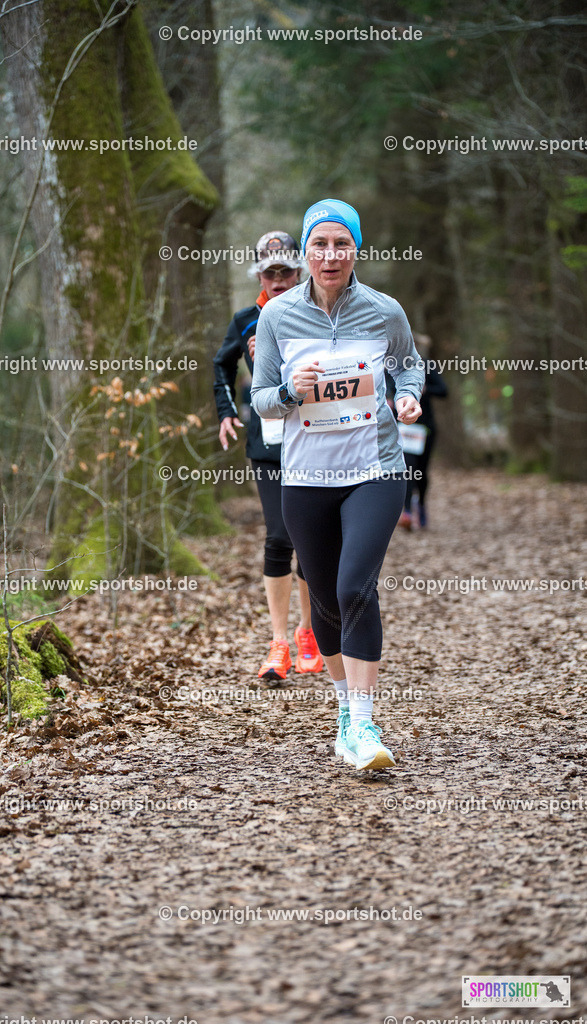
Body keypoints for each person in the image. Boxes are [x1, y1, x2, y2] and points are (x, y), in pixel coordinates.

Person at [251, 199, 424, 770]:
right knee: (323, 597)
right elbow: (261, 398)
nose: (330, 256)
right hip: (305, 475)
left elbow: (409, 362)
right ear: (305, 252)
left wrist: (406, 395)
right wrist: (290, 391)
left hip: (374, 469)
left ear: (355, 250)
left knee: (355, 587)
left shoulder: (383, 310)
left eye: (340, 244)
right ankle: (345, 713)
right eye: (319, 245)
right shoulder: (277, 316)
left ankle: (367, 720)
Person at [213, 231, 324, 682]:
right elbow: (221, 364)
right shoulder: (245, 319)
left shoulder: (316, 312)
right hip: (270, 442)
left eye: (286, 271)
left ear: (298, 271)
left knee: (311, 541)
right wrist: (225, 411)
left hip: (317, 437)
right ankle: (279, 642)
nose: (278, 280)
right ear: (259, 274)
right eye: (269, 272)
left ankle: (308, 633)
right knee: (279, 537)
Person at [395, 333, 448, 530]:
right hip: (405, 428)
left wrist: (425, 389)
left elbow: (444, 390)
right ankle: (407, 510)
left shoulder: (426, 365)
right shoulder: (391, 366)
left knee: (422, 471)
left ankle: (422, 504)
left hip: (425, 428)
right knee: (409, 468)